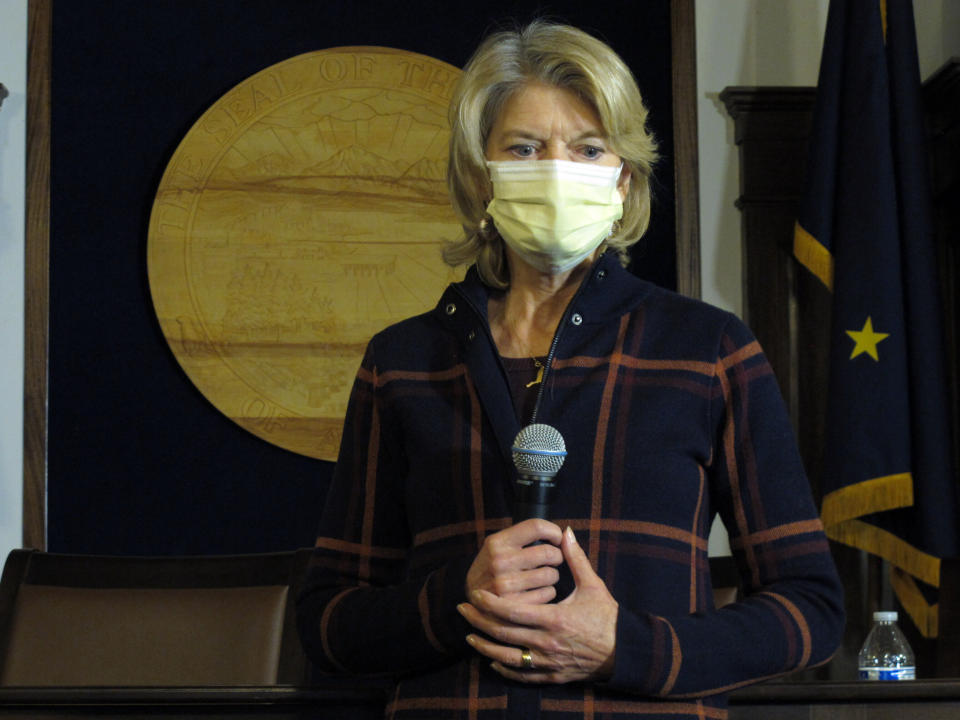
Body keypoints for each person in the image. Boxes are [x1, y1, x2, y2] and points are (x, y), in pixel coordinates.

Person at [297, 20, 844, 720]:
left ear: (624, 176)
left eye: (587, 148)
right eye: (525, 148)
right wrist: (454, 600)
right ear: (479, 172)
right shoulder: (402, 361)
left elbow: (812, 610)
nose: (558, 169)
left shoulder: (708, 349)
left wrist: (629, 646)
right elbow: (326, 622)